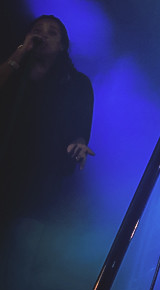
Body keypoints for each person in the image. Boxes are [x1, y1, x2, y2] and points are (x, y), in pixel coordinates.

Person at [1, 15, 95, 228]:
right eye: (37, 29)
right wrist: (20, 51)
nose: (42, 34)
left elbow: (81, 127)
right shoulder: (14, 71)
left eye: (51, 32)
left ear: (62, 45)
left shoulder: (77, 83)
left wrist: (79, 144)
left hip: (39, 179)